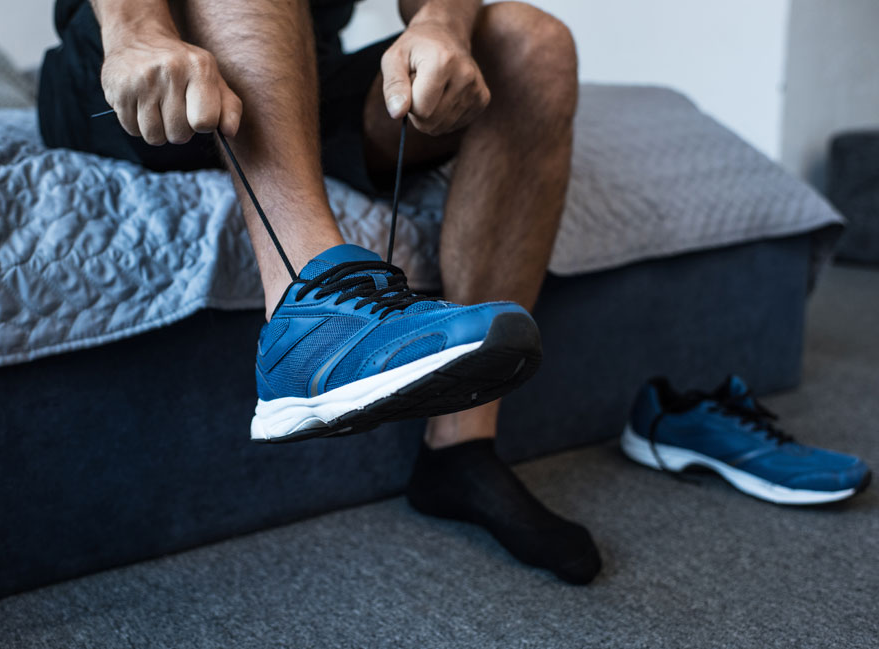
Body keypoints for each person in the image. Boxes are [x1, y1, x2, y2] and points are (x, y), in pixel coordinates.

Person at [39, 0, 601, 585]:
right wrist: (139, 32)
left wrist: (441, 26)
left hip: (283, 76)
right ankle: (308, 312)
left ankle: (459, 451)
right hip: (125, 74)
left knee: (533, 44)